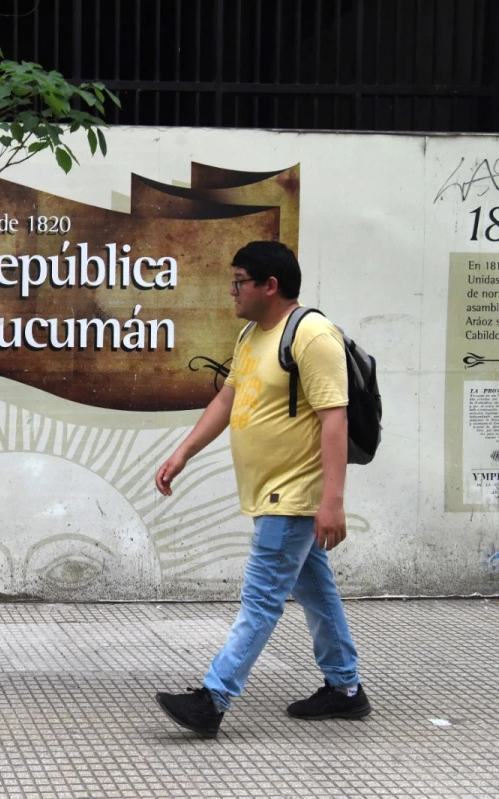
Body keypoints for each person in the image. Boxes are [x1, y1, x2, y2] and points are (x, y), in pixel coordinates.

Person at [153, 240, 371, 738]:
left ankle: (213, 698)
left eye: (239, 281)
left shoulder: (312, 335)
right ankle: (345, 689)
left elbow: (333, 418)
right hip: (270, 490)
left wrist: (333, 502)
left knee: (261, 599)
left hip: (292, 494)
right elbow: (230, 396)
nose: (231, 291)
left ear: (269, 286)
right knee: (315, 590)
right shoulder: (253, 335)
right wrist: (183, 452)